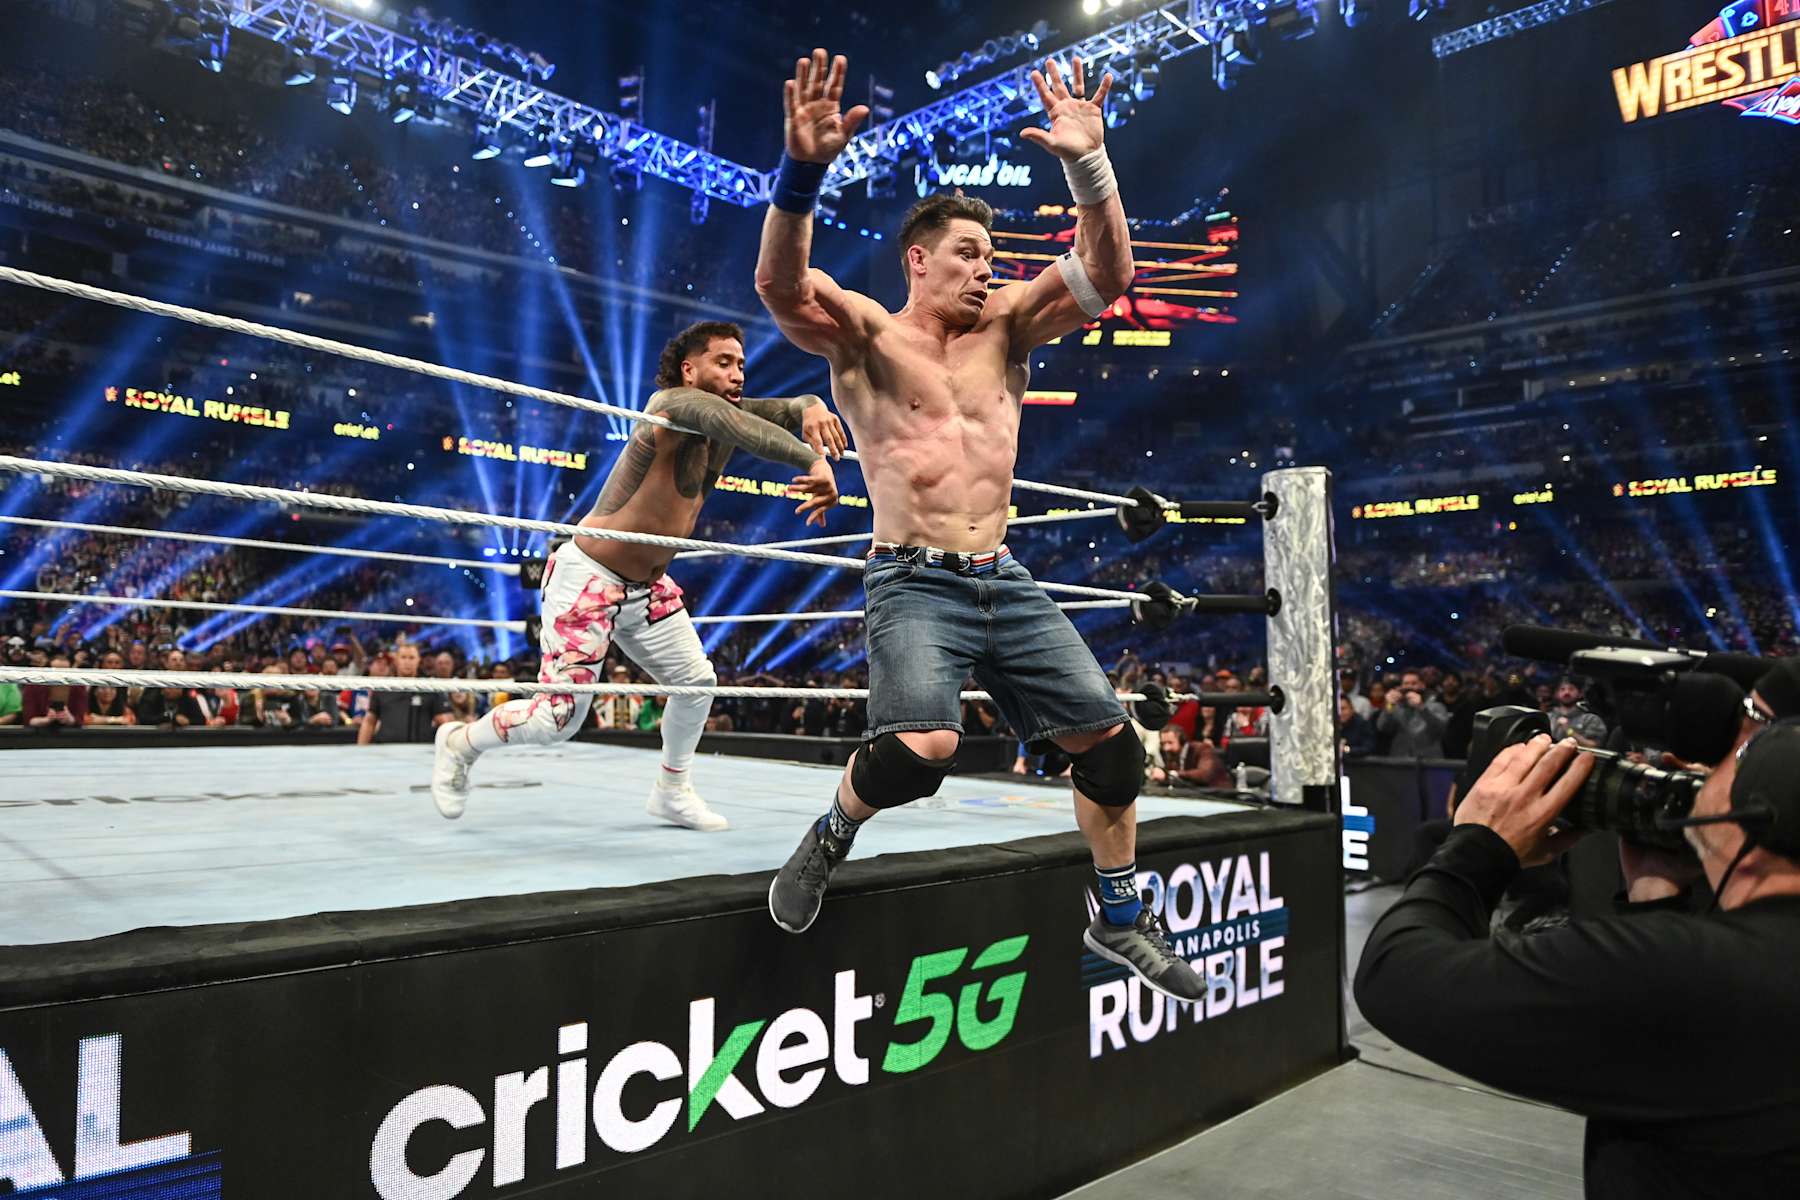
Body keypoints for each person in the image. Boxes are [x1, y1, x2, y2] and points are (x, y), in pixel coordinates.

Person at [755, 48, 1201, 1000]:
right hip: (912, 577)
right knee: (922, 753)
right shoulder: (868, 335)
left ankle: (1119, 916)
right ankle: (831, 833)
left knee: (1114, 747)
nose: (985, 268)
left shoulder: (1009, 326)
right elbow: (782, 289)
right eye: (967, 253)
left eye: (990, 256)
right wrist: (801, 175)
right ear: (917, 259)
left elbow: (1109, 272)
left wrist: (1090, 165)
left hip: (1002, 574)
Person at [1354, 667, 1800, 1198]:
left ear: (1762, 804)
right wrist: (1657, 901)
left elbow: (1395, 975)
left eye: (1740, 748)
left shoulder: (1693, 975)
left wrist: (1480, 844)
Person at [430, 320, 846, 831]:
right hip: (589, 578)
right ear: (689, 370)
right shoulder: (670, 405)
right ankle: (459, 744)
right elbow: (741, 426)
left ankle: (672, 791)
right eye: (723, 362)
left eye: (741, 364)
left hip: (646, 589)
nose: (738, 373)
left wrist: (812, 405)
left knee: (696, 683)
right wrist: (810, 459)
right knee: (555, 720)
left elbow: (783, 409)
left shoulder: (728, 413)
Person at [359, 641, 452, 744]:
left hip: (419, 749)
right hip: (386, 749)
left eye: (411, 658)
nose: (407, 662)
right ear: (396, 660)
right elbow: (369, 722)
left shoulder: (428, 688)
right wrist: (361, 750)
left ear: (418, 660)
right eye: (403, 657)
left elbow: (445, 723)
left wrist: (450, 748)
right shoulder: (384, 687)